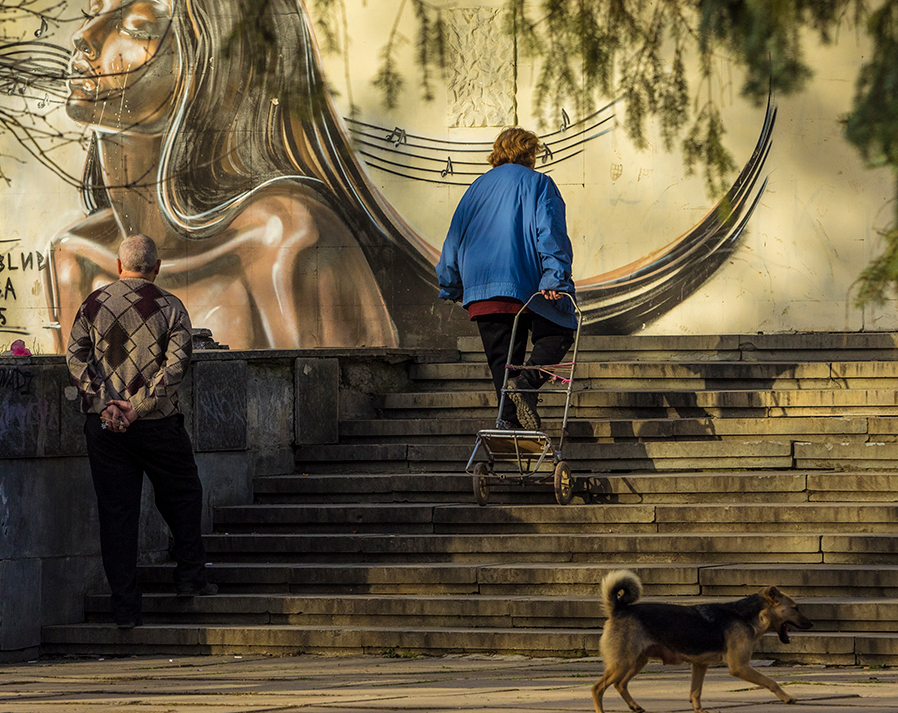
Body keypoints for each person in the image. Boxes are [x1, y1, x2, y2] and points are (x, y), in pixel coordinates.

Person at [46, 0, 446, 351]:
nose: (84, 36)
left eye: (137, 28)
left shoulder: (285, 240)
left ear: (211, 66)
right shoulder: (73, 257)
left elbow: (337, 410)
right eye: (92, 12)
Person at [66, 233, 216, 629]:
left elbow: (76, 358)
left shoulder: (92, 305)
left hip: (105, 426)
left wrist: (105, 402)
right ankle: (189, 579)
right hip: (158, 425)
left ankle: (126, 610)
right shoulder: (170, 306)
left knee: (117, 514)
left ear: (118, 266)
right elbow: (176, 366)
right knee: (183, 497)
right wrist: (139, 407)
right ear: (157, 267)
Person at [436, 127, 578, 430]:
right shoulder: (539, 183)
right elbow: (550, 233)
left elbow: (454, 238)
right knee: (560, 329)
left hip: (482, 288)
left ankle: (508, 424)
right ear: (530, 153)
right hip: (524, 284)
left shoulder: (475, 188)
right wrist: (554, 277)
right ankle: (526, 383)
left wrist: (451, 283)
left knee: (502, 362)